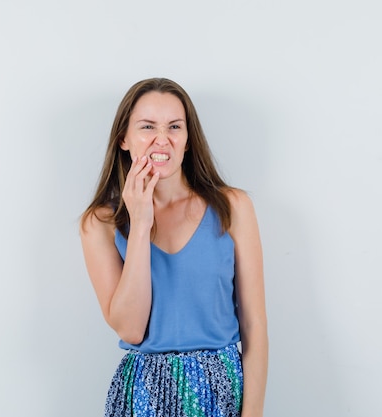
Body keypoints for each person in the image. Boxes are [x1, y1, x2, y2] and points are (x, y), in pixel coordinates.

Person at [80, 78, 268, 417]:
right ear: (123, 139)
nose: (161, 138)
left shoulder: (233, 207)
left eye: (174, 126)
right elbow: (131, 328)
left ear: (187, 139)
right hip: (142, 394)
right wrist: (139, 224)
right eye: (147, 126)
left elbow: (254, 324)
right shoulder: (100, 223)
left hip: (219, 387)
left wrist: (253, 413)